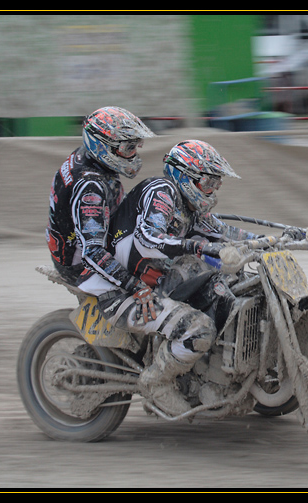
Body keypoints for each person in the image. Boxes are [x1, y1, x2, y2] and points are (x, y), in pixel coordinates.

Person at [105, 140, 290, 416]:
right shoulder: (163, 191)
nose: (213, 189)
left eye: (217, 183)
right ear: (185, 176)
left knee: (231, 283)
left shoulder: (190, 206)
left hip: (159, 277)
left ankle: (215, 369)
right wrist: (199, 246)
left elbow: (227, 233)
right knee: (201, 318)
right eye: (209, 182)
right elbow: (148, 237)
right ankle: (156, 381)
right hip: (128, 285)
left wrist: (277, 239)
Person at [46, 105, 156, 300]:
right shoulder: (90, 186)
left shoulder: (86, 158)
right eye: (128, 148)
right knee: (163, 267)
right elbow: (93, 252)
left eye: (135, 146)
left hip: (75, 244)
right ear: (103, 145)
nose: (134, 155)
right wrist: (134, 285)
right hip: (80, 263)